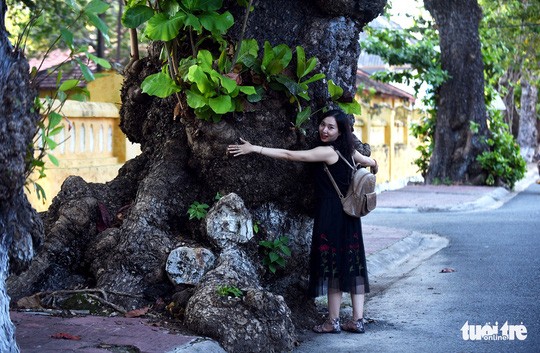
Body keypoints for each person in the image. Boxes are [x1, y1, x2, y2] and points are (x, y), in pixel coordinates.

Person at [227, 109, 378, 334]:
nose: (324, 130)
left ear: (340, 131)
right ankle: (357, 320)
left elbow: (289, 155)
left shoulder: (326, 152)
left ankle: (333, 321)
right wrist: (374, 164)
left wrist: (254, 148)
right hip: (351, 216)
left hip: (330, 214)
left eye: (331, 127)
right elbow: (370, 162)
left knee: (332, 267)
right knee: (354, 265)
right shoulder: (350, 151)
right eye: (322, 125)